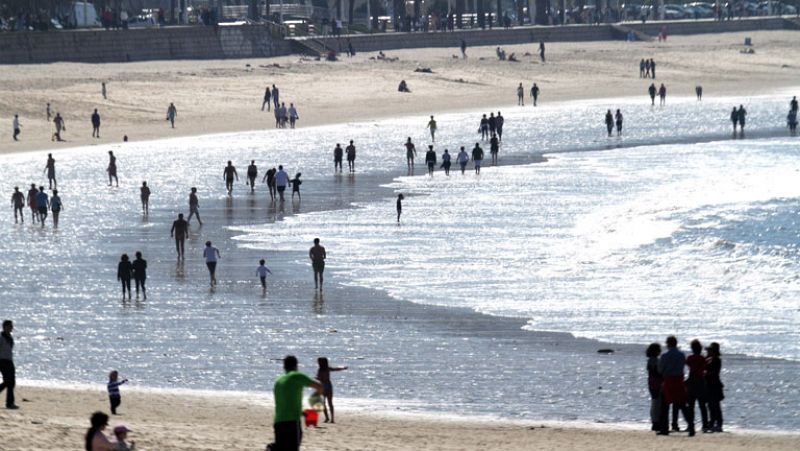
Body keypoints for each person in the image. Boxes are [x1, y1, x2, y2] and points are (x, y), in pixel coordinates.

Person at [269, 356, 323, 451]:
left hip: (278, 421)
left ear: (284, 367)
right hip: (291, 422)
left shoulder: (278, 381)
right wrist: (315, 402)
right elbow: (319, 386)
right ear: (296, 366)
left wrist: (303, 413)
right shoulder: (296, 376)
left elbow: (286, 403)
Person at [657, 336, 695, 436]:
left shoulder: (665, 355)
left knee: (664, 405)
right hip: (679, 380)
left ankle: (664, 428)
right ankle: (691, 426)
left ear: (668, 344)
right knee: (682, 405)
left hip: (669, 380)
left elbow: (660, 369)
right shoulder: (681, 355)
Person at [686, 339, 709, 433]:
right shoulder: (702, 358)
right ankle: (705, 425)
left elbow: (688, 365)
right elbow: (704, 368)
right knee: (702, 405)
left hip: (692, 381)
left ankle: (691, 424)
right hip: (700, 381)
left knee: (691, 405)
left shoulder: (690, 358)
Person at [317, 357, 348, 424]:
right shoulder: (327, 368)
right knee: (329, 403)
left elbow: (319, 378)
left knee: (324, 403)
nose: (318, 363)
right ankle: (331, 419)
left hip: (323, 386)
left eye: (319, 362)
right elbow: (336, 369)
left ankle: (327, 418)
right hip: (328, 385)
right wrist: (343, 368)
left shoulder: (320, 370)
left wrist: (317, 378)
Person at [705, 342, 724, 433]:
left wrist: (706, 373)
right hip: (709, 384)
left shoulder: (717, 360)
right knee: (710, 405)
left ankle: (719, 423)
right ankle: (712, 422)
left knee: (715, 405)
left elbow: (714, 372)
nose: (708, 352)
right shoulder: (708, 359)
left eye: (710, 350)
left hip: (714, 384)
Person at [0, 320, 17, 409]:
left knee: (11, 382)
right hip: (2, 361)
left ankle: (10, 402)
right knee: (8, 381)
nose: (11, 328)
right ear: (5, 327)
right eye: (10, 326)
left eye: (11, 326)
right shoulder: (1, 337)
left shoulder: (10, 337)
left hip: (9, 361)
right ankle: (9, 403)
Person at [646, 343, 663, 431]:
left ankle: (655, 421)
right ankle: (656, 422)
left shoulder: (651, 360)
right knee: (657, 402)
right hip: (656, 383)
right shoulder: (655, 360)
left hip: (652, 383)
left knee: (655, 402)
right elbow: (655, 371)